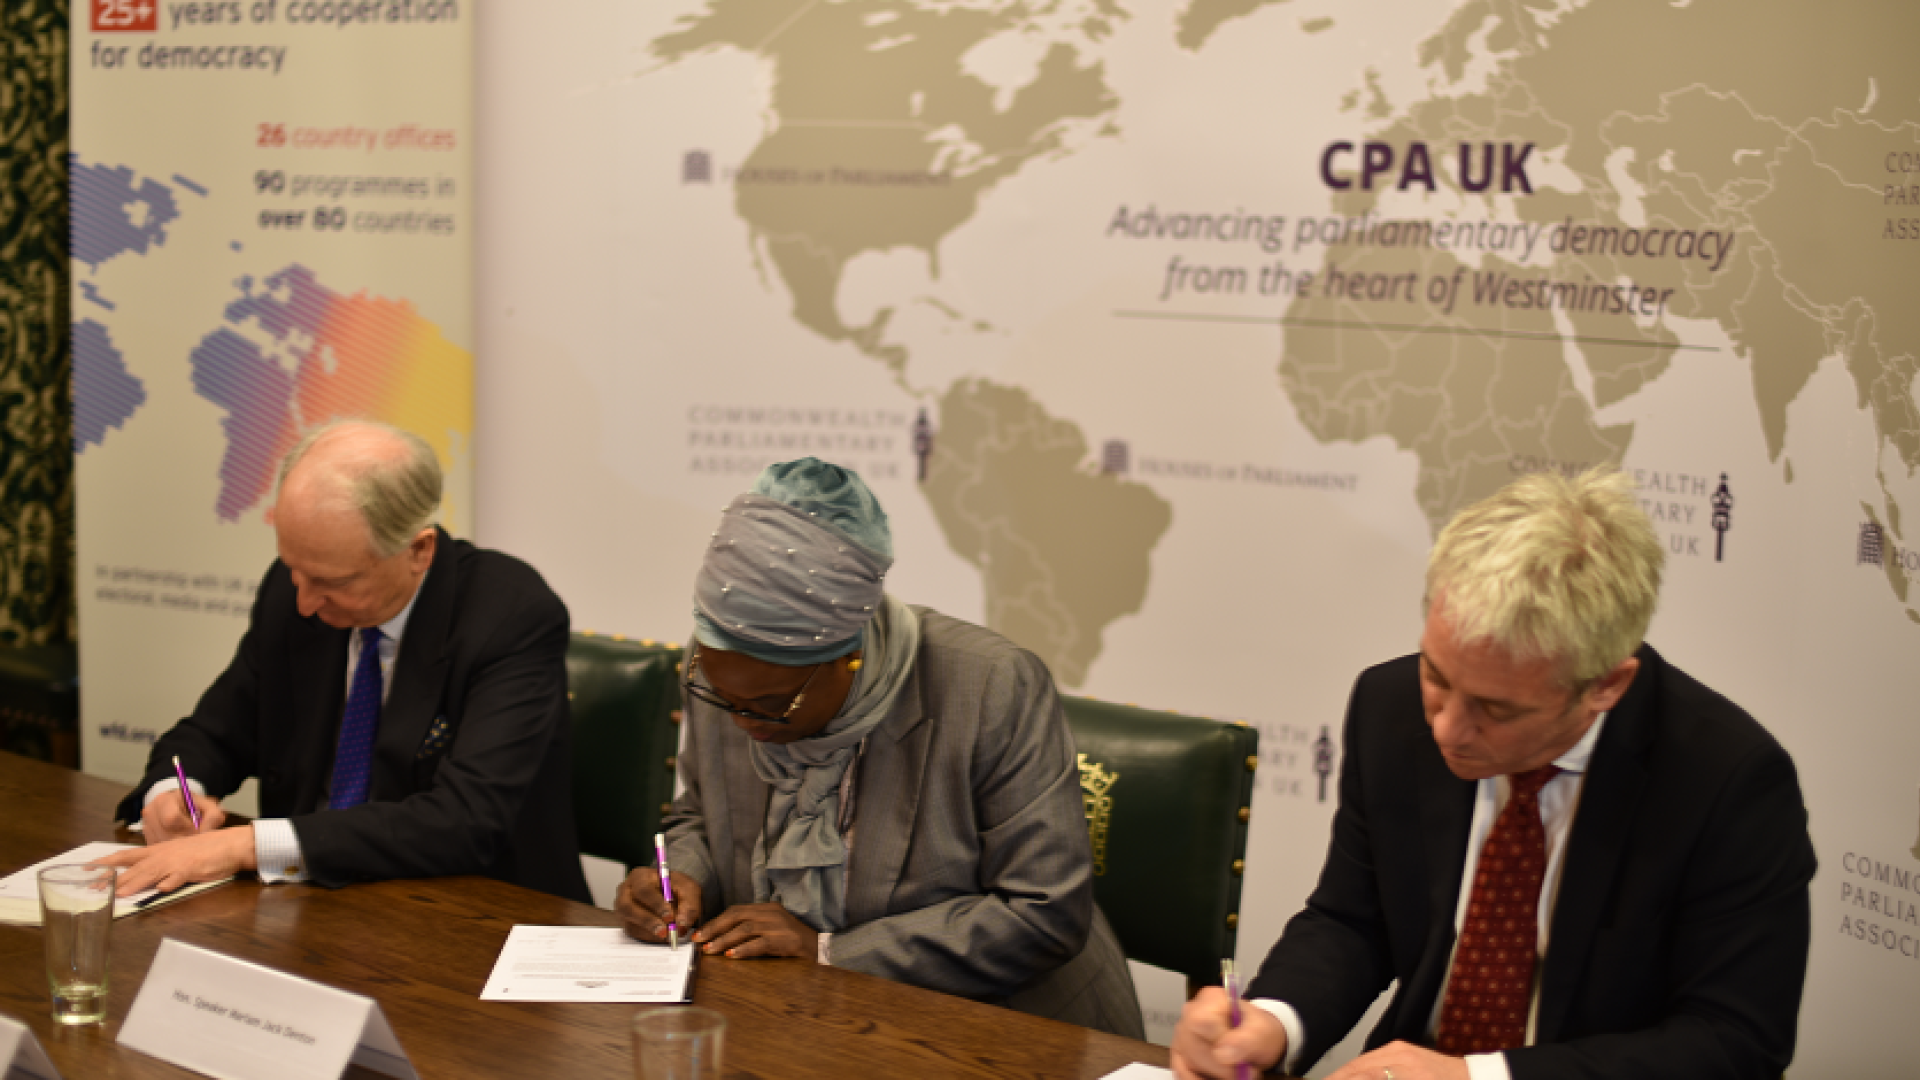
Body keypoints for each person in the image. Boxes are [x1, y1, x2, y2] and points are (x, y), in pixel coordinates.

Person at [1173, 467, 1815, 1080]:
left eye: (1496, 709)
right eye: (1437, 677)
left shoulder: (1727, 781)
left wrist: (1476, 1074)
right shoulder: (1387, 705)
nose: (1446, 728)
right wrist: (1273, 1021)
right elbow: (1354, 919)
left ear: (1606, 686)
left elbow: (1733, 1042)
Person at [616, 457, 1143, 1037]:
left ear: (850, 655)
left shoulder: (990, 685)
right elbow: (703, 813)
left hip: (990, 1026)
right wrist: (678, 880)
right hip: (788, 1017)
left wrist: (829, 950)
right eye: (722, 696)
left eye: (771, 705)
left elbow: (1042, 914)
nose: (743, 721)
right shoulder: (728, 668)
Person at [102, 420, 590, 903]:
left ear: (418, 550)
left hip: (474, 917)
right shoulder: (292, 591)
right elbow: (212, 732)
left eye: (335, 582)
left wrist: (245, 845)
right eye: (296, 570)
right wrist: (172, 792)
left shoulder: (510, 616)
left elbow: (463, 820)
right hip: (313, 905)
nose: (306, 603)